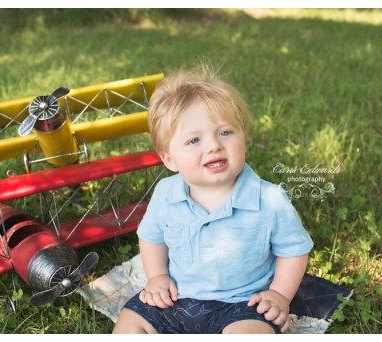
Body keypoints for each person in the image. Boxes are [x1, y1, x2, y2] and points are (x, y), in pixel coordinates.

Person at [112, 65, 313, 334]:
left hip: (243, 304)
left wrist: (280, 294)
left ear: (244, 137)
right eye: (194, 140)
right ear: (170, 160)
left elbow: (294, 249)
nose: (213, 146)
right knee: (129, 324)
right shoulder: (165, 193)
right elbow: (152, 237)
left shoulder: (269, 199)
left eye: (225, 132)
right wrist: (158, 277)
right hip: (175, 298)